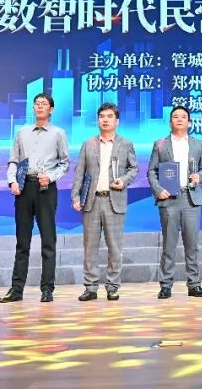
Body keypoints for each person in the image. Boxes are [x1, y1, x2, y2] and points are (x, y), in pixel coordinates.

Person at [0, 93, 70, 304]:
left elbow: (65, 163)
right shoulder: (22, 132)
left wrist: (52, 177)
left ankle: (47, 289)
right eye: (37, 103)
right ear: (33, 108)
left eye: (44, 104)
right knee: (22, 242)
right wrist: (12, 181)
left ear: (51, 109)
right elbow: (13, 160)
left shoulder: (58, 133)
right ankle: (16, 289)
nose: (39, 106)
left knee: (48, 241)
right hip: (24, 187)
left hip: (46, 189)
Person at [72, 102, 138, 302]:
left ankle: (112, 286)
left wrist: (123, 180)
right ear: (98, 120)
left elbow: (134, 169)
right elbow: (79, 173)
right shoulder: (88, 144)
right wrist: (76, 197)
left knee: (115, 247)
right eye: (102, 116)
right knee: (90, 247)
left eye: (110, 116)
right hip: (91, 201)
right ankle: (90, 287)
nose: (105, 120)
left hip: (114, 200)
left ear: (117, 121)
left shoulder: (126, 144)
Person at [148, 106, 202, 299]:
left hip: (191, 198)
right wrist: (158, 190)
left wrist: (199, 177)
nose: (180, 119)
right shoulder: (160, 144)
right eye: (175, 117)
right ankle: (166, 285)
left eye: (183, 117)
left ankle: (194, 284)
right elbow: (152, 171)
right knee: (169, 245)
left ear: (189, 122)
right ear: (170, 122)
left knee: (192, 245)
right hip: (169, 199)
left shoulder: (198, 144)